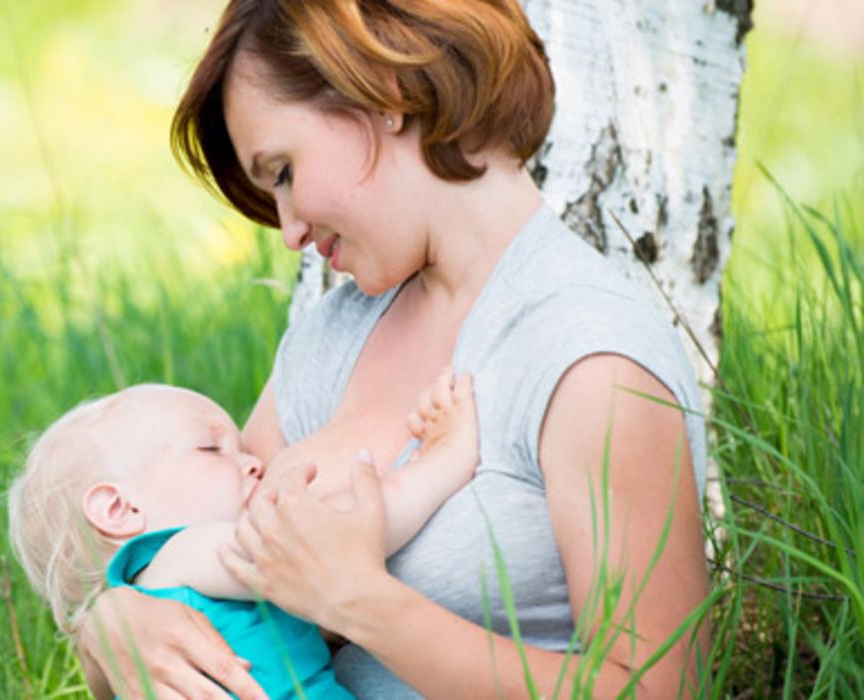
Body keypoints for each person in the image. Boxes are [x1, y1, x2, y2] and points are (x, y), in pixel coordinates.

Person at [74, 0, 712, 698]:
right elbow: (206, 558)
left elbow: (657, 689)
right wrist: (109, 622)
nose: (287, 230)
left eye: (282, 171)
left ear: (383, 94)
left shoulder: (588, 359)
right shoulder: (331, 338)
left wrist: (363, 606)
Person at [7, 372, 479, 699]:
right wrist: (442, 461)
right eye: (212, 448)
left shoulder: (173, 592)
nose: (254, 461)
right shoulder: (177, 558)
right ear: (120, 509)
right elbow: (340, 537)